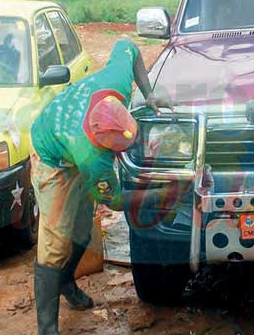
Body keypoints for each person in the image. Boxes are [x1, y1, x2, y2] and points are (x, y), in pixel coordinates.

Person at [29, 37, 168, 335]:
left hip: (70, 138)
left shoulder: (116, 81)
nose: (119, 155)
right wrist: (161, 194)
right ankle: (46, 328)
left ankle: (67, 281)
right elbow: (116, 201)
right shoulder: (92, 156)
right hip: (51, 158)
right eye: (115, 151)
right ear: (102, 145)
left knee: (81, 228)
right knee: (55, 241)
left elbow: (127, 45)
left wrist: (150, 94)